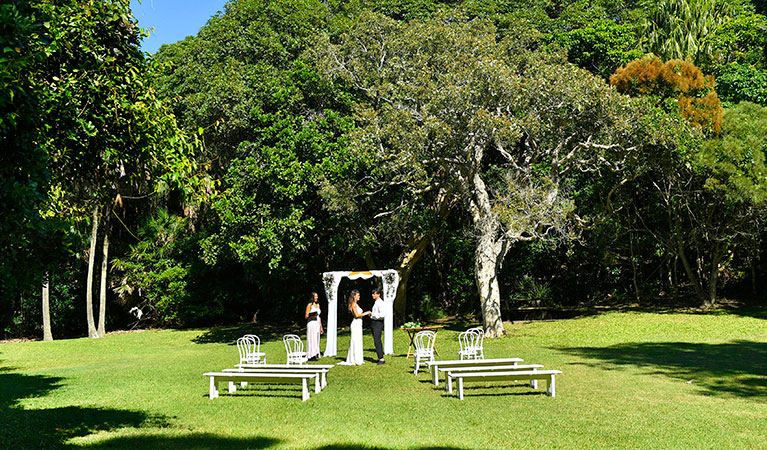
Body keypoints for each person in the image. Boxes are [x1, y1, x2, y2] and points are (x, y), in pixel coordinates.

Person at [337, 289, 370, 365]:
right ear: (354, 296)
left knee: (358, 340)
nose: (359, 297)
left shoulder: (356, 304)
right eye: (358, 295)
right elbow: (357, 315)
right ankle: (354, 358)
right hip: (355, 323)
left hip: (358, 323)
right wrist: (366, 313)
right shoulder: (353, 304)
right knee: (355, 340)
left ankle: (358, 358)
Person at [305, 292, 323, 361]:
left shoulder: (318, 305)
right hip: (311, 323)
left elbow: (319, 317)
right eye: (315, 296)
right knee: (312, 338)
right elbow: (306, 316)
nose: (316, 298)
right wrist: (313, 315)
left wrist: (321, 327)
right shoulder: (310, 305)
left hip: (317, 323)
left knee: (316, 338)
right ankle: (311, 355)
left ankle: (316, 353)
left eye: (317, 296)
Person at [370, 288, 386, 364]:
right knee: (376, 340)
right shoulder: (376, 302)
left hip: (378, 323)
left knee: (377, 340)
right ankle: (380, 356)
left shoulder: (380, 303)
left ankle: (381, 358)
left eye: (374, 294)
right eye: (372, 294)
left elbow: (382, 315)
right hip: (374, 322)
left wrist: (372, 315)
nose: (373, 295)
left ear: (378, 294)